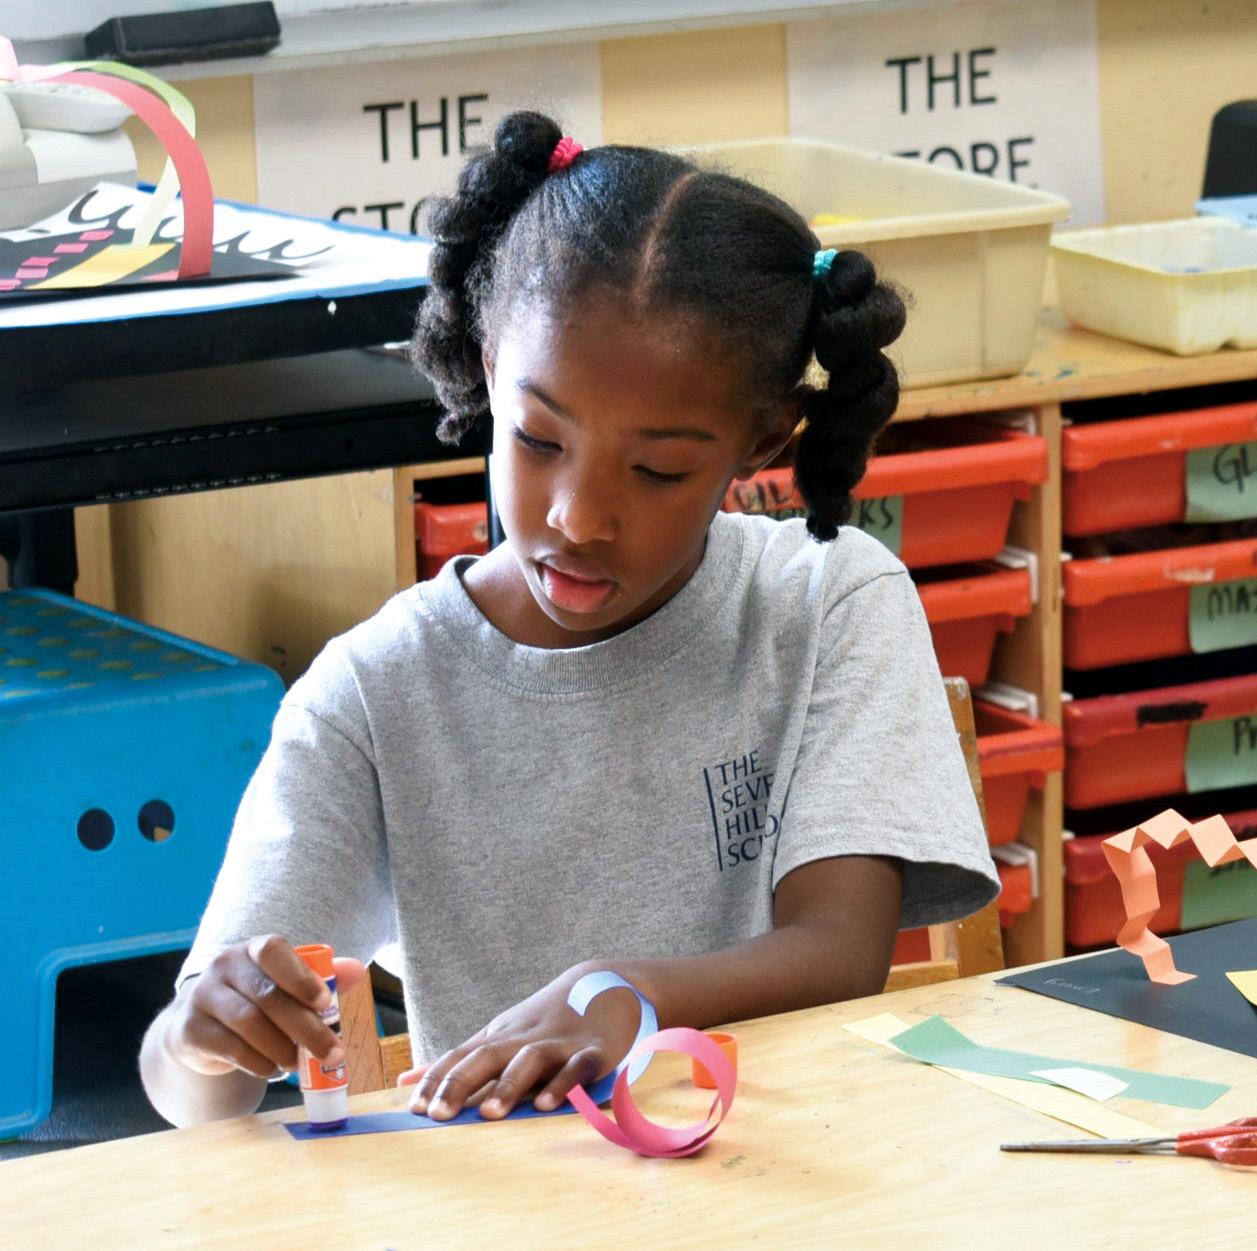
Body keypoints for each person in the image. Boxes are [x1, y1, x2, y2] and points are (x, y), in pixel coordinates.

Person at [140, 111, 998, 1128]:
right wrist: (202, 1036)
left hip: (795, 1168)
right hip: (516, 1196)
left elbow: (841, 952)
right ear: (487, 368)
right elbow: (194, 1091)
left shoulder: (828, 600)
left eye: (659, 470)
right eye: (538, 440)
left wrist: (625, 995)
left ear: (763, 440)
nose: (579, 517)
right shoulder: (374, 693)